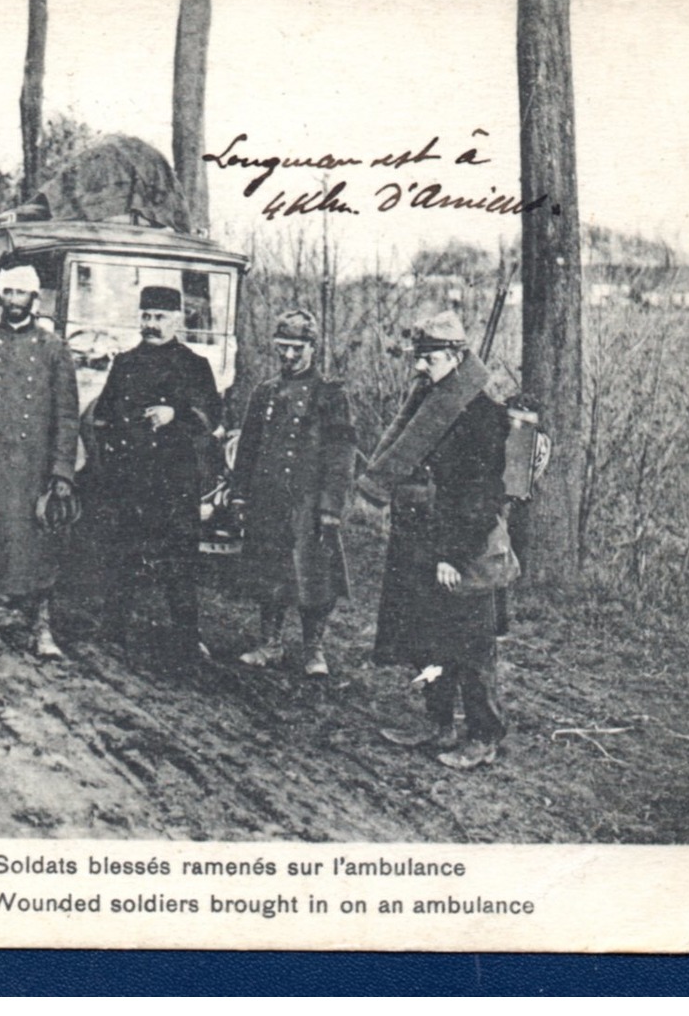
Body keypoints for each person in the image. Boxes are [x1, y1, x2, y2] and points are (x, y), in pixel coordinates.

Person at [358, 310, 510, 771]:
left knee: (472, 647)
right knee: (430, 639)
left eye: (430, 358)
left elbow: (483, 497)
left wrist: (453, 555)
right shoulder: (433, 399)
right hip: (424, 543)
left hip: (467, 549)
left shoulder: (481, 412)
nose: (420, 368)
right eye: (418, 358)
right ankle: (438, 723)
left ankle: (484, 736)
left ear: (458, 356)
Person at [0, 261, 80, 658]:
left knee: (40, 552)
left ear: (33, 298)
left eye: (20, 293)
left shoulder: (54, 350)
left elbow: (67, 416)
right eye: (7, 293)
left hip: (34, 472)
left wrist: (61, 472)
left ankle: (41, 628)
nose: (13, 301)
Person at [91, 284, 222, 661]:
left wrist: (175, 414)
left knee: (180, 559)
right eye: (146, 316)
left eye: (160, 317)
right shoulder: (125, 363)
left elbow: (210, 417)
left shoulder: (196, 366)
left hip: (176, 480)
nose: (151, 324)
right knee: (123, 553)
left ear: (178, 319)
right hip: (131, 477)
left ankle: (187, 636)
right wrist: (113, 462)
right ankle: (112, 629)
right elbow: (103, 418)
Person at [229, 309, 356, 676]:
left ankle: (314, 650)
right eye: (281, 347)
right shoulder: (263, 393)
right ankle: (269, 644)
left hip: (310, 506)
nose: (287, 356)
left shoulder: (331, 395)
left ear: (312, 348)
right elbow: (247, 450)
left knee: (314, 577)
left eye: (296, 349)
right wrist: (239, 495)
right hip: (268, 501)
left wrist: (331, 506)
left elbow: (341, 454)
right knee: (269, 574)